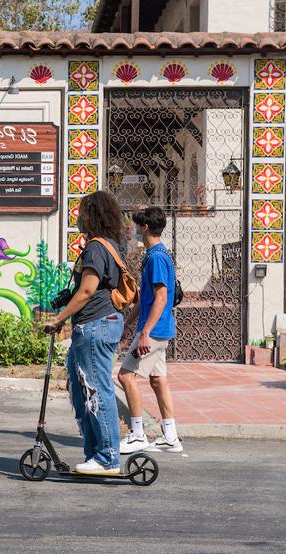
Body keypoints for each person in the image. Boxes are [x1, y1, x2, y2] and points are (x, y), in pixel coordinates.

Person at [43, 191, 126, 475]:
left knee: (96, 391)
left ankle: (107, 457)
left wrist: (59, 319)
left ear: (92, 215)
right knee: (82, 392)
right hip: (97, 324)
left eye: (81, 212)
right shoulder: (109, 246)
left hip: (95, 324)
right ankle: (95, 455)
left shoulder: (95, 248)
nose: (77, 217)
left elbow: (88, 290)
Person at [117, 207, 182, 453]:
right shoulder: (158, 254)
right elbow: (143, 298)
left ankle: (137, 434)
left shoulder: (155, 258)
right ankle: (171, 437)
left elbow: (161, 298)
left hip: (153, 332)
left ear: (144, 227)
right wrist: (127, 323)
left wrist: (144, 332)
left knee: (125, 376)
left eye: (136, 225)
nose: (133, 229)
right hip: (159, 329)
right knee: (157, 380)